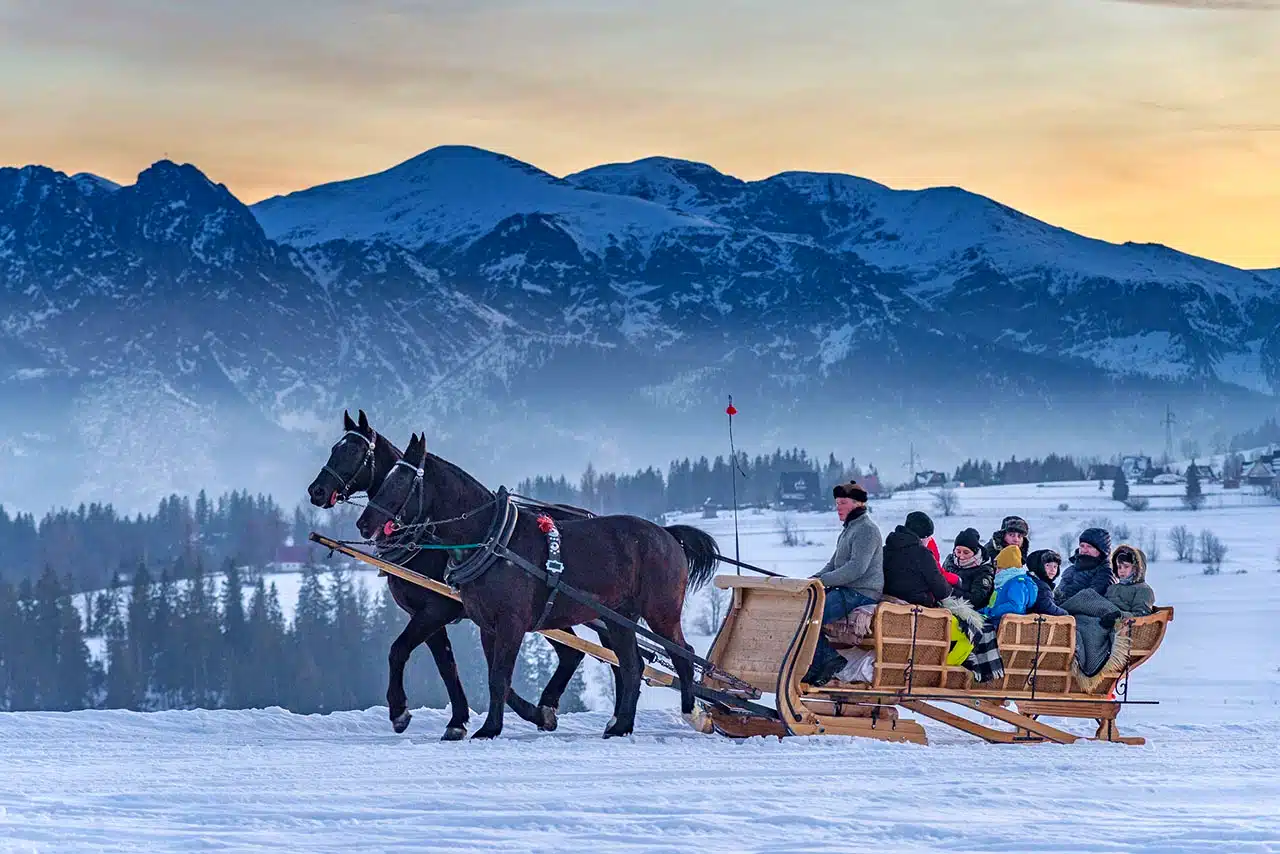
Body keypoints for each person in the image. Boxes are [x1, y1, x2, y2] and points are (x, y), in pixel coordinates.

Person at [803, 481, 884, 686]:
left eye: (843, 503)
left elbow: (856, 569)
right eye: (837, 503)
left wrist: (822, 581)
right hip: (847, 590)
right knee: (805, 614)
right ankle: (817, 666)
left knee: (811, 616)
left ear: (857, 503)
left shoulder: (866, 530)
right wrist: (812, 580)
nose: (838, 507)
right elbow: (833, 564)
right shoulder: (849, 529)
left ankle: (830, 661)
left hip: (861, 592)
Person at [982, 545, 1068, 629]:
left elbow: (1016, 606)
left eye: (1055, 567)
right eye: (1048, 565)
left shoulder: (1017, 582)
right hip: (1010, 624)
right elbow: (1046, 607)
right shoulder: (1038, 585)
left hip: (1010, 626)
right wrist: (1065, 613)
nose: (1052, 570)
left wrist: (990, 612)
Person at [882, 511, 952, 607]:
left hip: (887, 607)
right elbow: (941, 590)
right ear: (924, 537)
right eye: (929, 537)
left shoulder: (884, 550)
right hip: (917, 611)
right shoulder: (923, 554)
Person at [1054, 528, 1115, 604]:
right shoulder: (1071, 569)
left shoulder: (1105, 573)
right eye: (1082, 546)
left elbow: (1092, 599)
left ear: (1102, 550)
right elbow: (1057, 593)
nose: (1084, 550)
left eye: (1089, 546)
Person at [945, 527, 995, 607]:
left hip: (971, 611)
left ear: (975, 552)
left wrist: (950, 591)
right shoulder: (950, 561)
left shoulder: (983, 570)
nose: (961, 556)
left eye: (966, 552)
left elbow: (976, 599)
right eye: (958, 552)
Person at [1105, 545, 1155, 617]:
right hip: (1101, 618)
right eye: (1119, 567)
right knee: (1087, 595)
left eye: (1126, 566)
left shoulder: (1143, 590)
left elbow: (1141, 615)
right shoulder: (1112, 588)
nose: (1122, 570)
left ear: (1136, 568)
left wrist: (1119, 616)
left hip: (1120, 624)